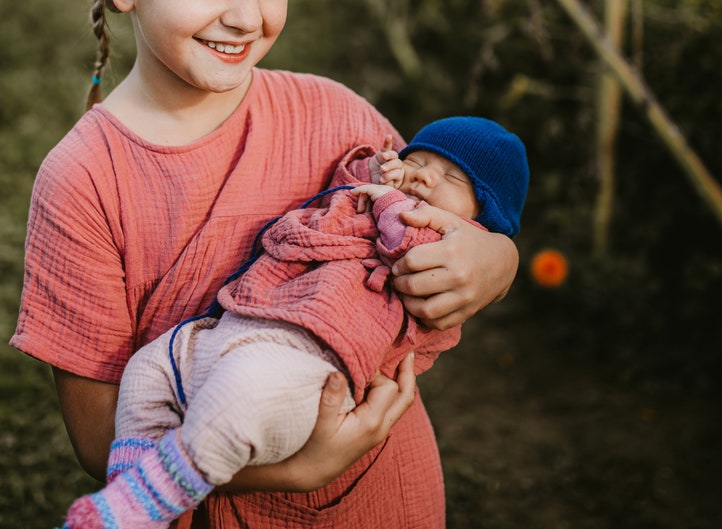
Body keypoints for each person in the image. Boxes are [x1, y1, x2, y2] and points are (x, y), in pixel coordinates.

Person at [10, 0, 521, 527]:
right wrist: (298, 470)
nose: (247, 19)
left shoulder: (336, 115)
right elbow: (101, 440)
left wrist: (500, 262)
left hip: (388, 494)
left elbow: (446, 207)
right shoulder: (83, 181)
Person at [59, 116, 530, 529]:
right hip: (234, 325)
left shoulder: (446, 249)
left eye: (450, 177)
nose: (425, 176)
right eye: (420, 160)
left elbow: (406, 245)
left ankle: (141, 503)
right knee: (148, 370)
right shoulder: (373, 196)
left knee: (235, 402)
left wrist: (495, 254)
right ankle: (132, 482)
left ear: (480, 219)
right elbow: (342, 188)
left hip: (311, 363)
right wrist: (374, 173)